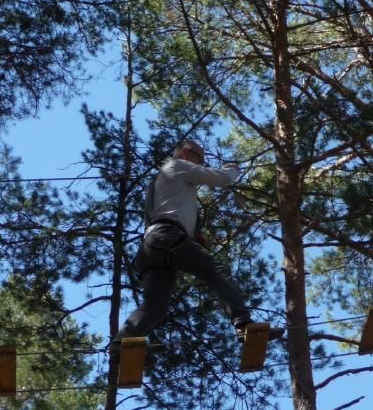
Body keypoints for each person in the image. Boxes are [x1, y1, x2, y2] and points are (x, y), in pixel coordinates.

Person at [113, 139, 283, 349]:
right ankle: (244, 324)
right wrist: (231, 169)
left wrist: (193, 236)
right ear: (185, 153)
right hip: (167, 236)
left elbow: (169, 212)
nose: (201, 164)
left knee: (155, 307)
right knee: (216, 270)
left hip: (152, 247)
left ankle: (121, 342)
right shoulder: (175, 165)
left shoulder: (162, 183)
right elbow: (223, 179)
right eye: (199, 158)